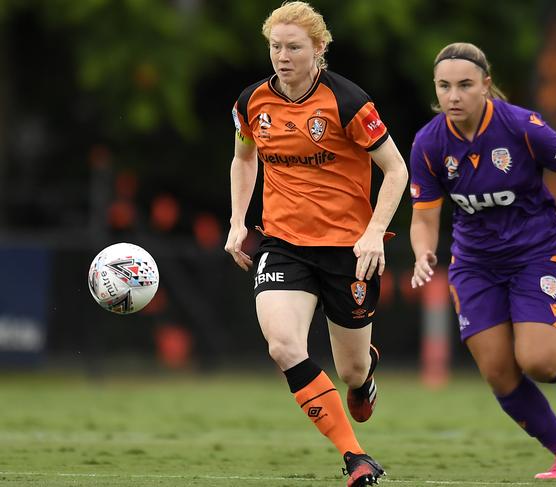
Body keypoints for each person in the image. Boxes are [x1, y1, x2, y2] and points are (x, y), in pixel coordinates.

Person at [224, 2, 408, 485]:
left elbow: (396, 170)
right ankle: (356, 457)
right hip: (283, 244)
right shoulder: (251, 103)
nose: (282, 57)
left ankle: (365, 373)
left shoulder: (348, 102)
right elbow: (244, 160)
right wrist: (238, 220)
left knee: (349, 371)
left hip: (348, 250)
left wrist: (372, 233)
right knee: (283, 346)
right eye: (275, 47)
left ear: (318, 50)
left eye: (293, 47)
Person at [409, 42, 556, 480]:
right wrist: (423, 250)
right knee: (499, 372)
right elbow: (424, 218)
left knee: (537, 360)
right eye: (444, 86)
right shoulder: (428, 143)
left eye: (464, 85)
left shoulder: (521, 126)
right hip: (475, 264)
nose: (453, 96)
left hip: (536, 253)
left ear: (486, 85)